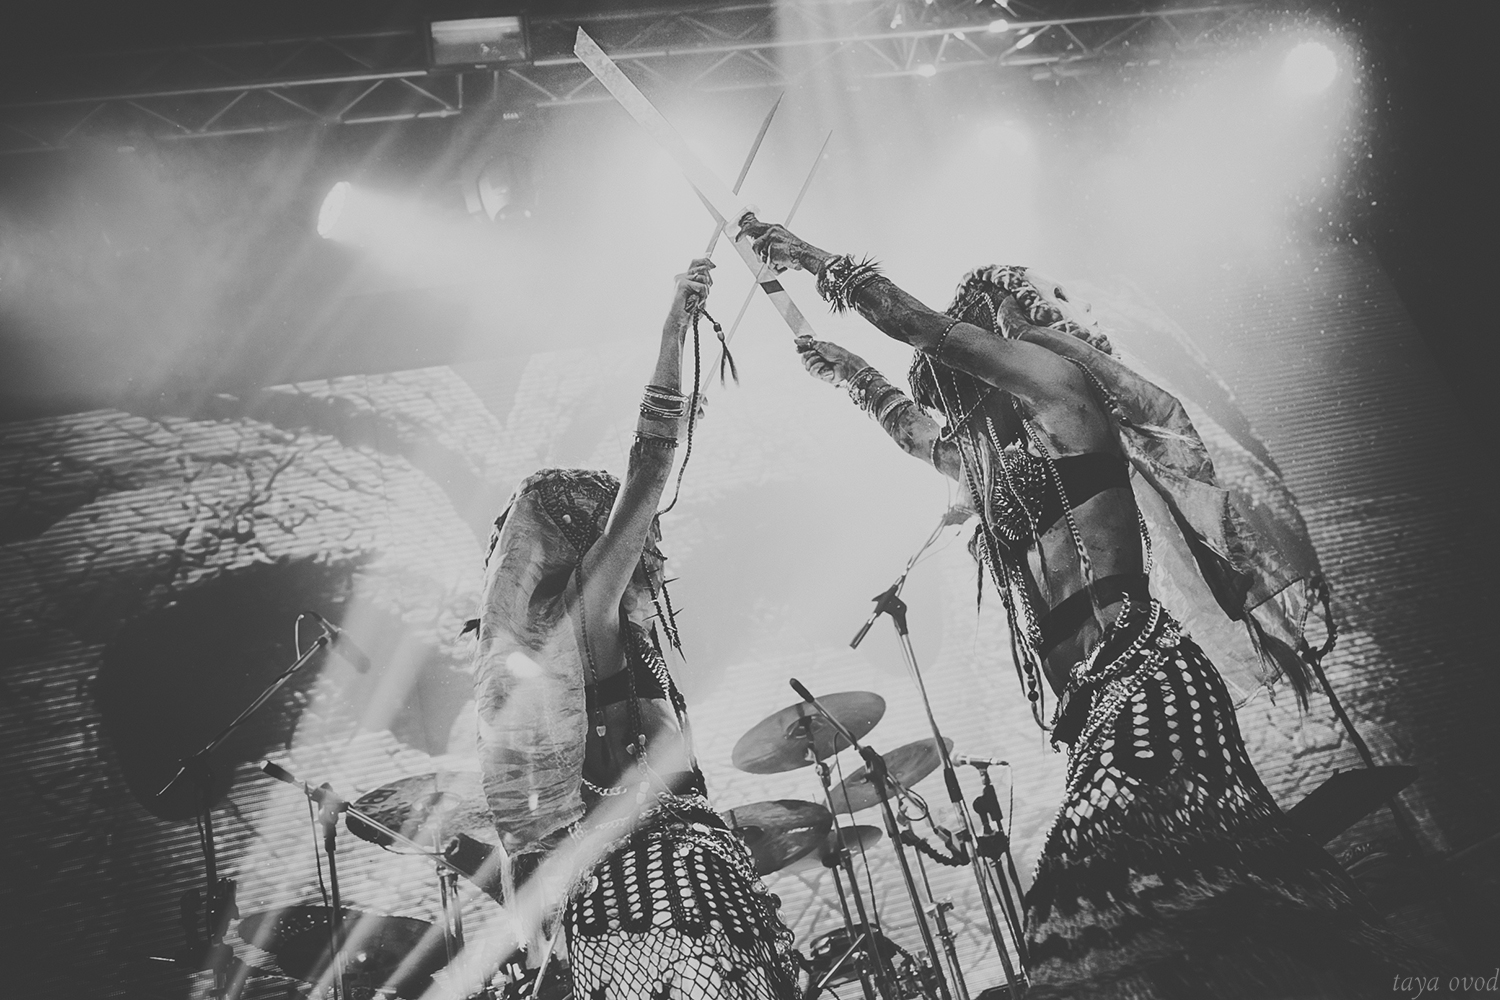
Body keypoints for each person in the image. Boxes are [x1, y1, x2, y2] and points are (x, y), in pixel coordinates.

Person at [735, 214, 1422, 998]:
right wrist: (851, 375)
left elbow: (922, 328)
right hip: (1094, 708)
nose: (962, 365)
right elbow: (921, 438)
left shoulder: (1065, 397)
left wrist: (812, 257)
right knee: (1193, 925)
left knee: (1098, 902)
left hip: (1147, 679)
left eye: (977, 332)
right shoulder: (994, 462)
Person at [471, 258, 799, 1000]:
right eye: (617, 522)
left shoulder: (565, 647)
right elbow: (650, 470)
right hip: (664, 873)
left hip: (609, 902)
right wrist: (672, 333)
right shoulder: (586, 616)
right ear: (586, 537)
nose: (645, 539)